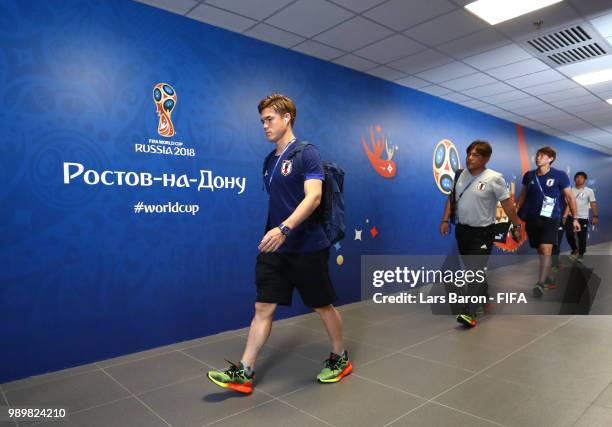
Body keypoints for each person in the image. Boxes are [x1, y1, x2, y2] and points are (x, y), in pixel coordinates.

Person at [207, 94, 351, 394]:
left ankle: (340, 358)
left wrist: (284, 228)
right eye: (261, 121)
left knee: (321, 306)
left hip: (308, 246)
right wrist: (277, 233)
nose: (264, 125)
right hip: (276, 248)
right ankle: (244, 371)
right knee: (263, 306)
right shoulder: (269, 160)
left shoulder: (306, 153)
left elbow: (313, 197)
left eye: (269, 119)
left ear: (287, 118)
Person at [440, 140, 522, 327]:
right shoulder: (460, 175)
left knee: (475, 271)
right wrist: (445, 220)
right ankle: (484, 295)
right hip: (462, 230)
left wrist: (517, 224)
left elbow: (507, 204)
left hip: (483, 232)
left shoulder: (495, 178)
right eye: (469, 153)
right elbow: (451, 199)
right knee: (472, 269)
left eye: (476, 154)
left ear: (486, 158)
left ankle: (470, 312)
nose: (470, 157)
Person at [516, 146, 580, 297]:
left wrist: (575, 219)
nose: (538, 158)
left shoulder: (560, 175)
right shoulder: (529, 176)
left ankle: (540, 283)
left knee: (546, 250)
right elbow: (523, 195)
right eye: (537, 155)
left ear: (550, 159)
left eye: (542, 155)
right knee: (540, 251)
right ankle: (548, 277)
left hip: (551, 218)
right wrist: (517, 217)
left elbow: (570, 197)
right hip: (532, 219)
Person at [564, 171, 598, 263]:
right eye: (577, 177)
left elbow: (593, 203)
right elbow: (567, 204)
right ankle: (575, 249)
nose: (579, 179)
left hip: (583, 218)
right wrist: (565, 216)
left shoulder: (589, 191)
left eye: (582, 177)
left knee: (581, 237)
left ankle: (581, 253)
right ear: (574, 179)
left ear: (585, 180)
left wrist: (595, 216)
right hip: (571, 217)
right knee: (569, 235)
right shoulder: (569, 190)